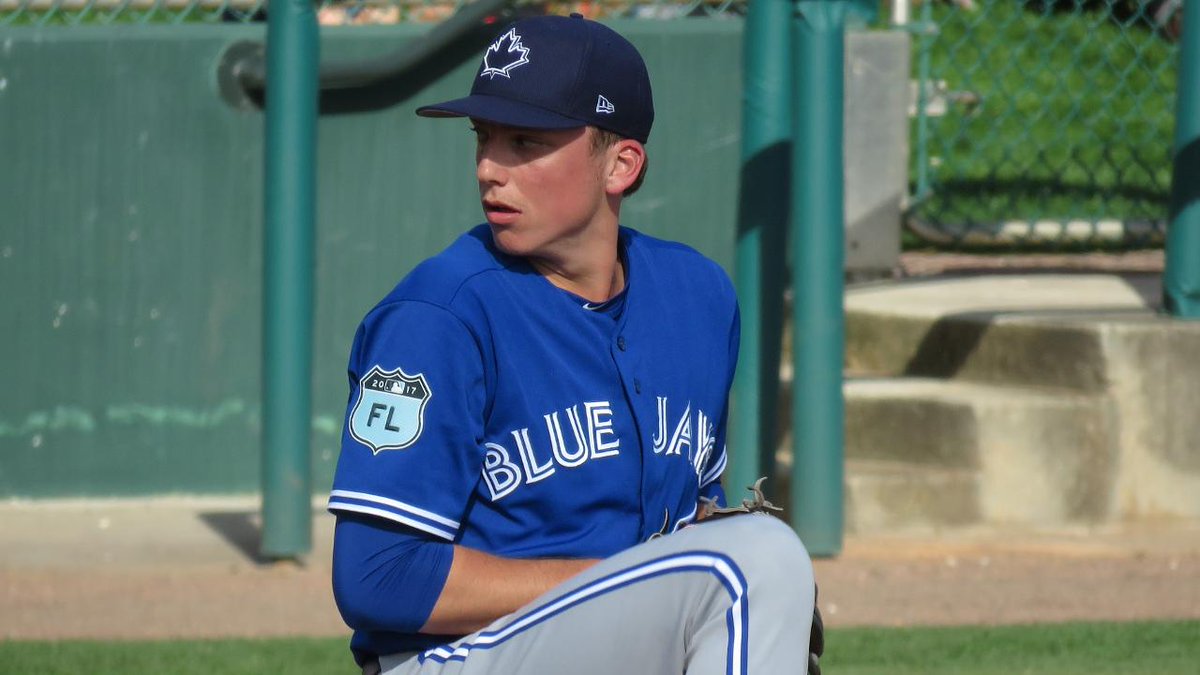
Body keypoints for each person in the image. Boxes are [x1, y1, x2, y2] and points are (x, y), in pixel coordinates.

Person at [328, 13, 818, 674]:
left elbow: (692, 509)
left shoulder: (698, 296)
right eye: (484, 136)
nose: (489, 169)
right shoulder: (435, 316)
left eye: (525, 141)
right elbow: (377, 576)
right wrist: (645, 576)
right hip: (450, 658)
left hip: (597, 643)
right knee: (755, 559)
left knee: (754, 557)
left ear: (621, 164)